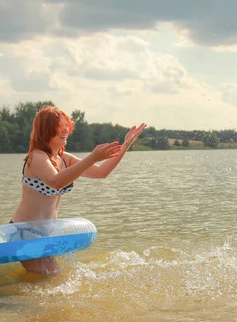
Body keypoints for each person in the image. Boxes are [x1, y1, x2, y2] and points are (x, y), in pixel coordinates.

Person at [11, 105, 147, 274]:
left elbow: (101, 172)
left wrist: (126, 145)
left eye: (66, 126)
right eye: (60, 127)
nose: (65, 130)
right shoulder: (37, 157)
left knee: (52, 279)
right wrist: (92, 157)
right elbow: (56, 181)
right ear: (46, 131)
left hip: (46, 234)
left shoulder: (63, 158)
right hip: (25, 233)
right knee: (53, 278)